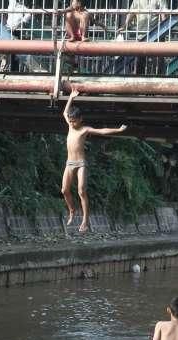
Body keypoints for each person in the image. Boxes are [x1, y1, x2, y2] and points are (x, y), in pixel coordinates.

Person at [62, 88, 127, 232]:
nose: (71, 123)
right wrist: (71, 97)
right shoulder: (70, 127)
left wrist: (118, 130)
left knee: (81, 191)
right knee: (64, 190)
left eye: (74, 121)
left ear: (80, 119)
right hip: (69, 163)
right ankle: (72, 210)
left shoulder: (84, 129)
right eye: (70, 121)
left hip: (81, 164)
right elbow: (65, 112)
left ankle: (85, 220)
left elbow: (102, 130)